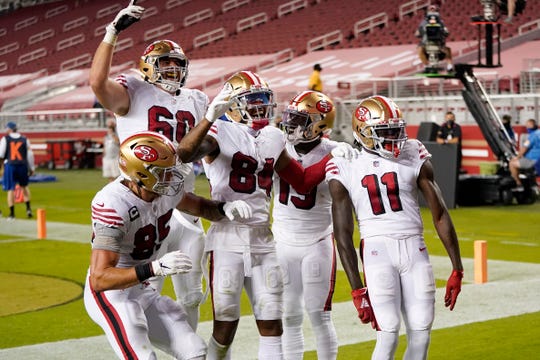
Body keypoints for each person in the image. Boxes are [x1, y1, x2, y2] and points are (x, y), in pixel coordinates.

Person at [177, 70, 355, 359]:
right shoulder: (218, 132)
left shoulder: (273, 136)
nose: (260, 106)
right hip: (226, 239)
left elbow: (303, 181)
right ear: (232, 103)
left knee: (273, 323)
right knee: (225, 324)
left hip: (263, 239)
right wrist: (209, 116)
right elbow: (183, 154)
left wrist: (333, 156)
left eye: (263, 99)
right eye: (252, 100)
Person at [89, 0, 209, 331]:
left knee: (192, 293)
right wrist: (112, 33)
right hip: (141, 202)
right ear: (147, 66)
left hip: (182, 200)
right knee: (144, 290)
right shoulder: (133, 88)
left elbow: (213, 146)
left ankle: (189, 350)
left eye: (176, 64)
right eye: (164, 63)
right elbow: (98, 83)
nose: (172, 69)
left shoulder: (196, 99)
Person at [84, 131, 253, 360]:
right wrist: (155, 269)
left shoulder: (162, 191)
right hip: (114, 295)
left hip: (143, 289)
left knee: (195, 351)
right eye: (164, 172)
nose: (172, 178)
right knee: (143, 357)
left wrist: (225, 209)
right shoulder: (113, 204)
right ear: (140, 174)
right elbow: (100, 278)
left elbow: (199, 206)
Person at [327, 95, 464, 360]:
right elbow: (343, 234)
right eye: (385, 131)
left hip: (414, 246)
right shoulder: (345, 162)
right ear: (363, 133)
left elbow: (440, 213)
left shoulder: (413, 151)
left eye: (396, 129)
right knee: (388, 334)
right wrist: (357, 289)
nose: (394, 137)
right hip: (377, 250)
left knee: (422, 331)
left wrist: (457, 267)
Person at [272, 91, 339, 359]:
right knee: (289, 315)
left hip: (318, 240)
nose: (291, 124)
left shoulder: (336, 152)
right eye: (292, 117)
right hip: (282, 240)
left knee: (319, 315)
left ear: (320, 125)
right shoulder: (277, 146)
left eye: (300, 120)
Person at [0, 121, 35, 220]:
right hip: (22, 165)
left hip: (10, 165)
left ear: (10, 129)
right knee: (25, 187)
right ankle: (28, 209)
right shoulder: (24, 139)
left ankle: (12, 214)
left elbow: (1, 154)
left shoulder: (5, 139)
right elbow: (30, 155)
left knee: (10, 189)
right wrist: (31, 168)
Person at [415, 5, 453, 72]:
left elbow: (446, 32)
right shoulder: (423, 23)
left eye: (434, 10)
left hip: (439, 43)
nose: (432, 11)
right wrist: (419, 32)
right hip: (426, 43)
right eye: (430, 10)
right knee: (419, 49)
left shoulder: (441, 22)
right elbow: (417, 33)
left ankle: (450, 66)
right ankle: (427, 66)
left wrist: (445, 32)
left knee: (447, 50)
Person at [509, 121, 540, 190]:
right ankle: (533, 185)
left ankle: (519, 184)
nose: (527, 128)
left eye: (528, 126)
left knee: (512, 164)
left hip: (533, 160)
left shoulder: (533, 135)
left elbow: (524, 148)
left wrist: (517, 157)